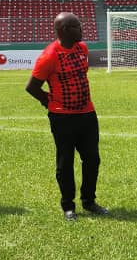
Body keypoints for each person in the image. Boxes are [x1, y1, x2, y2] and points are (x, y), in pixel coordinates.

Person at [26, 12, 107, 221]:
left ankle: (89, 200)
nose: (82, 30)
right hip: (62, 118)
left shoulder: (83, 48)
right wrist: (49, 101)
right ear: (64, 30)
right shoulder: (49, 56)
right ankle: (68, 205)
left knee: (92, 159)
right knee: (65, 162)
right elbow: (32, 87)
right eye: (76, 27)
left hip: (87, 114)